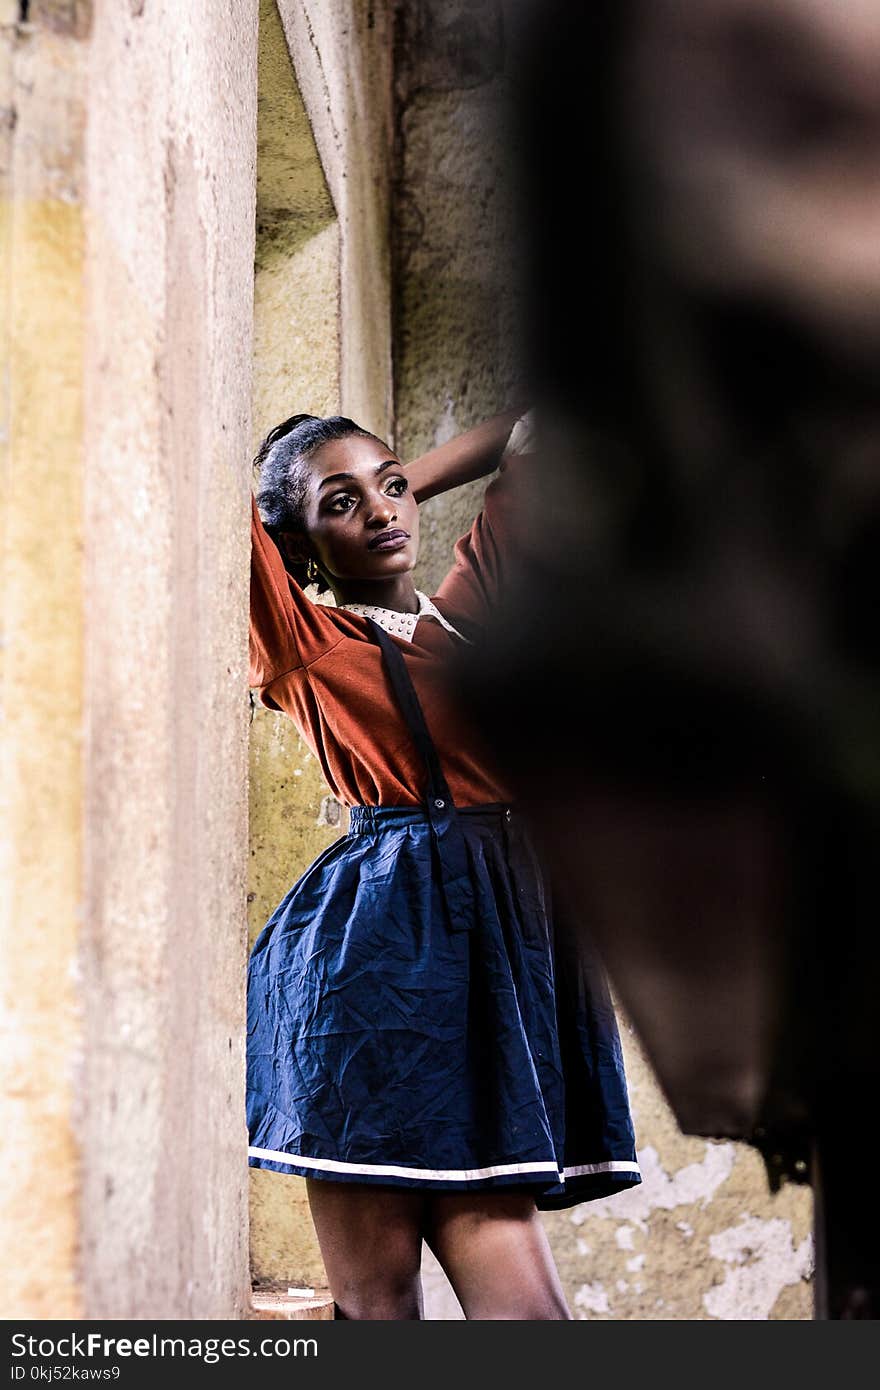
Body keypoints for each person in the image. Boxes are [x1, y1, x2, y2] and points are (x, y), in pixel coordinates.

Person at [246, 409, 641, 1320]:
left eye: (393, 484)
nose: (387, 510)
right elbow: (239, 535)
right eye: (341, 505)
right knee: (378, 1307)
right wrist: (308, 520)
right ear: (295, 539)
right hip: (376, 972)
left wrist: (372, 494)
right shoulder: (308, 646)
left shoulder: (472, 613)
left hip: (499, 961)